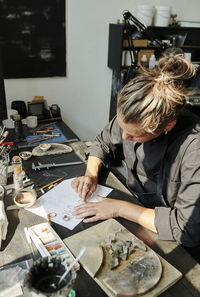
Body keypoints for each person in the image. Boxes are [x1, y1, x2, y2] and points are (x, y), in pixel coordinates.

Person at [71, 54, 200, 255]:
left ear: (167, 126)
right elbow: (103, 143)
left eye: (134, 135)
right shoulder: (134, 114)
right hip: (135, 206)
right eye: (122, 127)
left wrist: (120, 208)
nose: (124, 137)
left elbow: (187, 228)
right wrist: (90, 174)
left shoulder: (194, 148)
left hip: (175, 240)